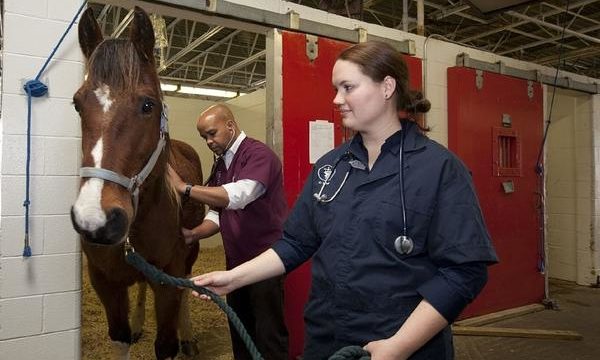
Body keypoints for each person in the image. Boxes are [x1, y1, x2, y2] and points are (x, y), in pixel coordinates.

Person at [191, 41, 498, 360]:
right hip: (328, 339)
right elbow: (296, 243)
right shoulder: (329, 167)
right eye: (336, 89)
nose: (337, 99)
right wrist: (232, 278)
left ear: (387, 87)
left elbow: (465, 272)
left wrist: (399, 346)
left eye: (347, 87)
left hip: (401, 344)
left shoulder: (439, 168)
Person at [167, 104, 289, 360]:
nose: (208, 142)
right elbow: (217, 212)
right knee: (240, 329)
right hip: (235, 263)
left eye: (212, 133)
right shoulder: (222, 163)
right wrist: (194, 234)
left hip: (265, 261)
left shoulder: (258, 155)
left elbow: (239, 195)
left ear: (230, 126)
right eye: (204, 137)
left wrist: (184, 187)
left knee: (268, 335)